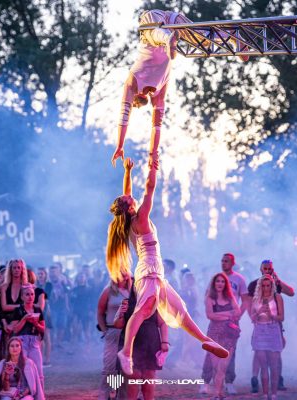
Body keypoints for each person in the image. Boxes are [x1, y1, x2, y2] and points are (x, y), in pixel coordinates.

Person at [107, 155, 228, 376]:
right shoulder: (140, 217)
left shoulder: (128, 221)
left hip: (154, 272)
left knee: (180, 310)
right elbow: (149, 189)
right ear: (129, 207)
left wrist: (127, 172)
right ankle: (126, 351)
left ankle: (205, 340)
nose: (130, 196)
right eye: (128, 199)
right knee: (143, 310)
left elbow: (128, 194)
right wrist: (152, 168)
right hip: (149, 271)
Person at [111, 10, 248, 166]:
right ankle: (232, 36)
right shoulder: (159, 90)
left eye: (133, 105)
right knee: (202, 40)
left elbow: (124, 115)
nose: (134, 106)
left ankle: (167, 38)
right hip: (172, 20)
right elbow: (156, 126)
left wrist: (120, 145)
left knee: (152, 34)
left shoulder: (132, 82)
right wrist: (153, 153)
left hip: (152, 20)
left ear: (135, 97)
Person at [114, 278, 168, 400]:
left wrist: (165, 342)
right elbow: (118, 325)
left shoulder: (155, 302)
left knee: (149, 376)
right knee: (133, 376)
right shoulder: (126, 303)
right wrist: (121, 314)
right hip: (131, 344)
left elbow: (163, 323)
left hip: (151, 342)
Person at [201, 253, 247, 395]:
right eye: (222, 261)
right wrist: (227, 315)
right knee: (211, 356)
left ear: (232, 262)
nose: (223, 263)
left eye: (226, 261)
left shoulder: (239, 279)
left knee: (230, 355)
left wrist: (237, 316)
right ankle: (205, 382)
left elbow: (244, 301)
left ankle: (229, 382)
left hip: (231, 326)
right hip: (216, 327)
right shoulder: (215, 280)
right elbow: (209, 312)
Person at [246, 259, 293, 392]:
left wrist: (278, 279)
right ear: (261, 269)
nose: (267, 271)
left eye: (270, 269)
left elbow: (291, 292)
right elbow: (250, 304)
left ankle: (278, 379)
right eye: (265, 268)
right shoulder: (254, 284)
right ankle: (255, 378)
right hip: (260, 324)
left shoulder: (274, 284)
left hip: (275, 324)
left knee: (276, 351)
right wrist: (254, 318)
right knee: (258, 351)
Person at [204, 273, 241, 400]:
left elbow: (238, 312)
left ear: (226, 284)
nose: (220, 283)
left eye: (222, 282)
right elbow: (210, 315)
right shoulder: (209, 298)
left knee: (223, 367)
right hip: (214, 334)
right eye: (217, 281)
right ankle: (217, 394)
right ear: (214, 283)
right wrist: (228, 315)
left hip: (229, 335)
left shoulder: (230, 297)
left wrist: (220, 314)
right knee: (215, 366)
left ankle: (218, 393)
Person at [96, 272, 131, 400]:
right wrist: (105, 331)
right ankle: (107, 395)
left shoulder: (133, 291)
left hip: (129, 334)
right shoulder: (108, 291)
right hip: (113, 332)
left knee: (125, 368)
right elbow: (100, 312)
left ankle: (121, 396)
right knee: (110, 367)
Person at [250, 275, 284, 400]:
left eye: (268, 285)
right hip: (259, 330)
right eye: (263, 285)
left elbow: (281, 317)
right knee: (263, 364)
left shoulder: (277, 297)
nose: (265, 288)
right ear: (260, 286)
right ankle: (265, 394)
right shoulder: (256, 299)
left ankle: (274, 394)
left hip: (273, 329)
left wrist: (272, 315)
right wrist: (259, 313)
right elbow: (252, 319)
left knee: (273, 364)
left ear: (272, 286)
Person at [10, 285, 45, 389]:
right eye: (27, 294)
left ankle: (39, 395)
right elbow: (15, 329)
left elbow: (43, 329)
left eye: (32, 294)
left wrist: (36, 324)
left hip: (34, 341)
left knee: (39, 370)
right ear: (22, 297)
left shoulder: (37, 309)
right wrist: (24, 319)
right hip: (21, 341)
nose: (30, 297)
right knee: (22, 368)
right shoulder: (18, 310)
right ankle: (22, 393)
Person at [36, 267, 53, 365]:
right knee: (39, 337)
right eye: (38, 274)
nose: (40, 275)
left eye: (41, 274)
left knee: (46, 336)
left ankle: (48, 359)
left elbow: (47, 298)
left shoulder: (48, 285)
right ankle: (41, 358)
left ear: (45, 275)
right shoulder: (36, 285)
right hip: (38, 311)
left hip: (46, 311)